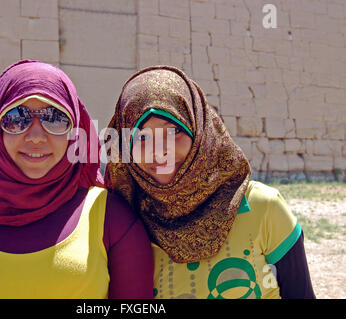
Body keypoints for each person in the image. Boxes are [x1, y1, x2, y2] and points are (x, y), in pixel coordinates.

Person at [0, 60, 153, 299]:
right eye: (17, 117)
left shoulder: (110, 220)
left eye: (55, 117)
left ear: (75, 130)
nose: (36, 136)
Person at [104, 65, 315, 299]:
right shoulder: (122, 224)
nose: (159, 152)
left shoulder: (262, 209)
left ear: (200, 131)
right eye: (142, 137)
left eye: (173, 131)